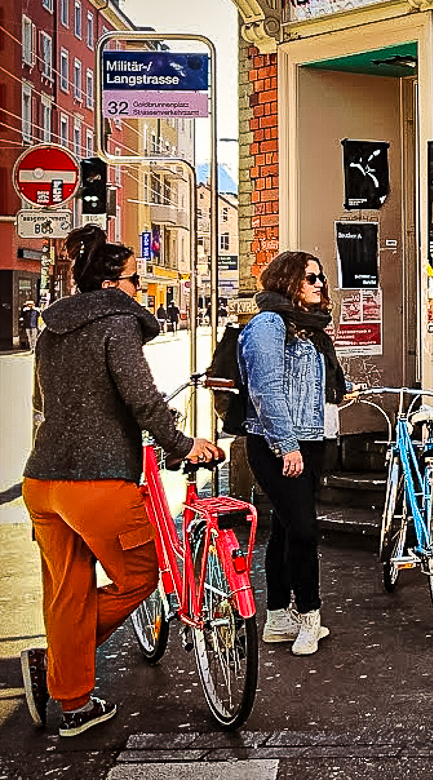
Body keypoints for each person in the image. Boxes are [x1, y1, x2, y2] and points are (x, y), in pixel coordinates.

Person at [20, 225, 219, 737]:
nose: (140, 289)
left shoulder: (51, 331)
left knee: (68, 592)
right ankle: (59, 666)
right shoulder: (116, 325)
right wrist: (181, 444)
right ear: (111, 285)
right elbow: (142, 398)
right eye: (135, 279)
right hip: (98, 484)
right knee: (140, 576)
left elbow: (41, 407)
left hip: (43, 482)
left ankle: (75, 703)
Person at [239, 250, 347, 656]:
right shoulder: (269, 325)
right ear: (288, 282)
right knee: (303, 529)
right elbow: (266, 391)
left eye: (320, 278)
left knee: (286, 527)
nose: (320, 284)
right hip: (276, 444)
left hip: (311, 438)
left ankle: (277, 616)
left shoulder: (311, 329)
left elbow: (316, 380)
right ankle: (309, 618)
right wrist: (287, 446)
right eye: (311, 278)